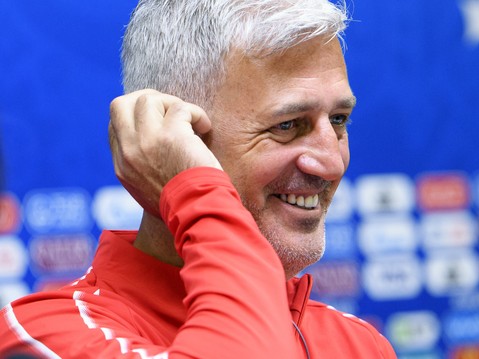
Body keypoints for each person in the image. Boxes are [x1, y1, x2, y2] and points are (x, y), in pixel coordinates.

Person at [0, 0, 397, 358]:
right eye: (287, 125)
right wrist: (193, 188)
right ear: (172, 134)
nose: (331, 163)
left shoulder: (360, 343)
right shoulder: (44, 338)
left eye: (339, 120)